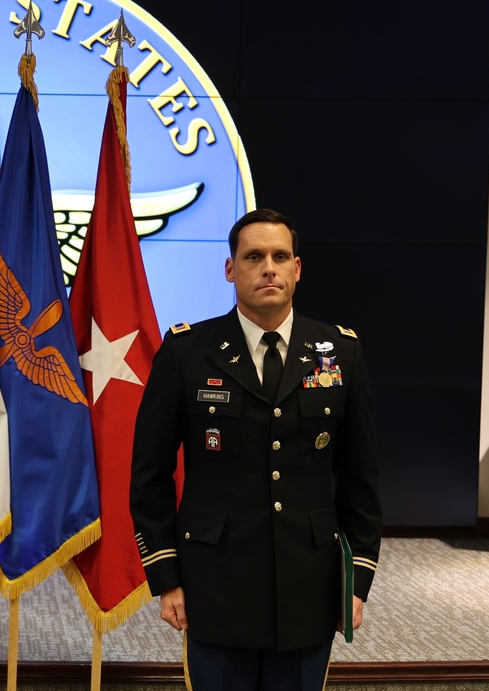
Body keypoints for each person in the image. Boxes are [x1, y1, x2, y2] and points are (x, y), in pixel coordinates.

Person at [130, 209, 381, 690]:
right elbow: (149, 476)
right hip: (215, 585)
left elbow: (361, 480)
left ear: (297, 269)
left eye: (280, 256)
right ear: (230, 269)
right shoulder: (187, 352)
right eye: (254, 256)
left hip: (308, 585)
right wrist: (166, 576)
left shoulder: (340, 353)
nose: (269, 267)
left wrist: (357, 580)